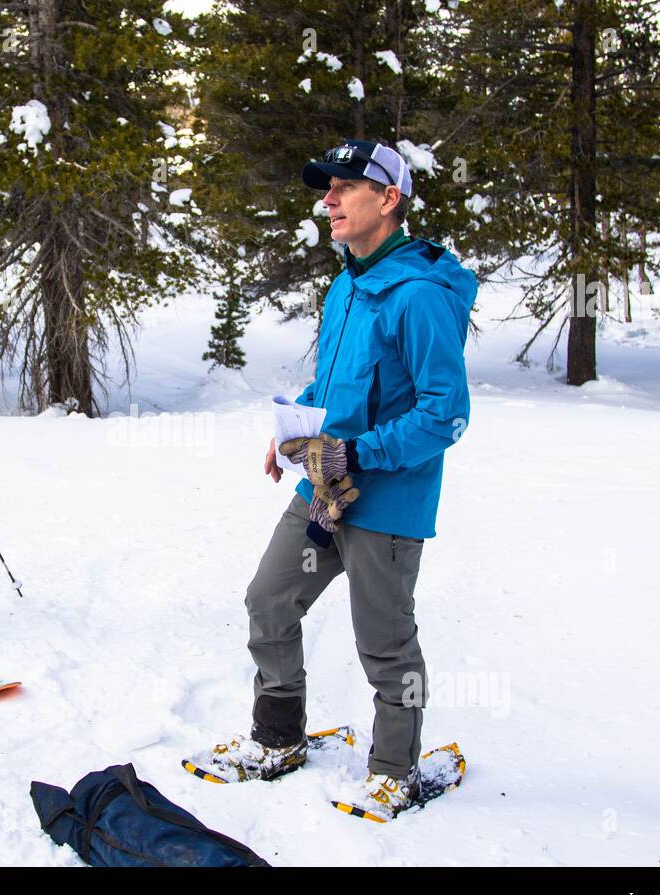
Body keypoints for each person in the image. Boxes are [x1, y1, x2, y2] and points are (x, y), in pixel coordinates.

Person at [199, 140, 476, 821]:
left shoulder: (419, 296)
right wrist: (295, 434)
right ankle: (279, 739)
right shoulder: (348, 282)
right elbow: (335, 383)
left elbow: (447, 415)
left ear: (388, 199)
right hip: (325, 489)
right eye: (326, 189)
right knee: (270, 599)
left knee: (384, 641)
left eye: (345, 188)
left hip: (386, 499)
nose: (327, 200)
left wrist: (355, 452)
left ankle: (394, 770)